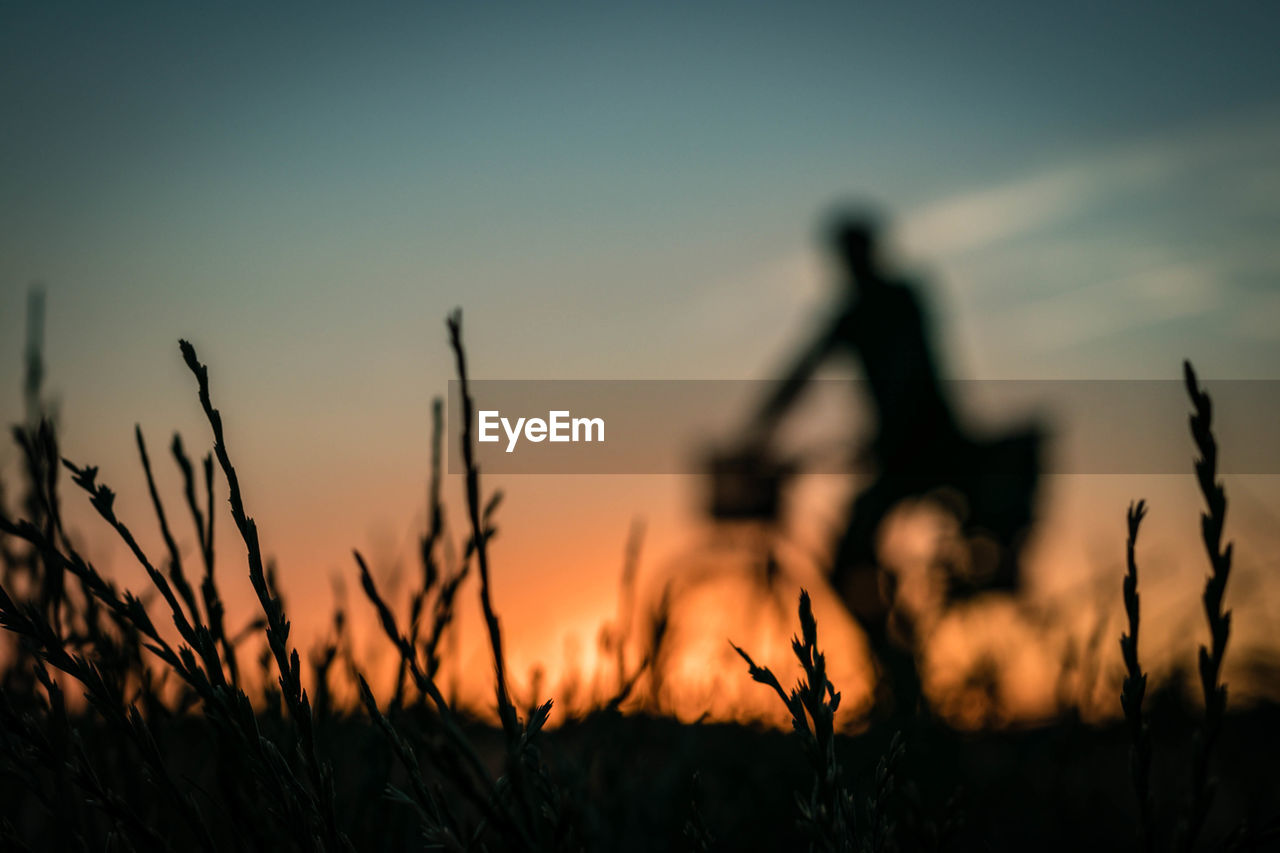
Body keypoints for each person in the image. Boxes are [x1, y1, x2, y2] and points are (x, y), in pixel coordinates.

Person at [738, 208, 1037, 718]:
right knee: (857, 556)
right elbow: (801, 376)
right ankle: (897, 670)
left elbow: (907, 373)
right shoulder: (855, 312)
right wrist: (756, 431)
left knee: (848, 554)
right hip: (898, 449)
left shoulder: (894, 301)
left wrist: (869, 436)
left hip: (925, 447)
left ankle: (899, 678)